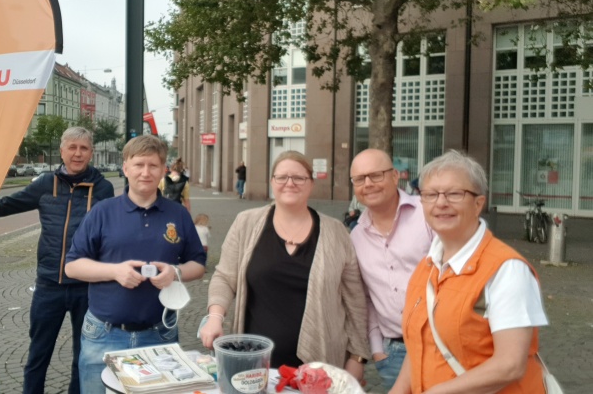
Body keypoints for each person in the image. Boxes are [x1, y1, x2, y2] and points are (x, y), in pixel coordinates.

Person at [200, 150, 370, 381]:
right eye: (282, 177)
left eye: (299, 178)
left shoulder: (336, 232)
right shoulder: (246, 223)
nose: (289, 183)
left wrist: (357, 358)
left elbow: (355, 301)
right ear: (272, 182)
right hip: (255, 365)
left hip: (320, 367)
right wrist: (215, 316)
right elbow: (224, 277)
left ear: (311, 184)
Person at [390, 150, 549, 393]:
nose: (441, 203)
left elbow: (510, 365)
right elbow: (419, 346)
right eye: (431, 194)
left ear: (478, 204)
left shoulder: (506, 269)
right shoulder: (427, 266)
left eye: (455, 194)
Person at [65, 134, 207, 392]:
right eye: (139, 164)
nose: (145, 172)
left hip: (159, 335)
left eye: (153, 166)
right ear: (125, 168)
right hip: (104, 336)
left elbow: (198, 264)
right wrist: (115, 272)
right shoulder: (102, 212)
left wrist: (175, 272)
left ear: (163, 170)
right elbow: (72, 266)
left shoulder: (178, 215)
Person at [0, 127, 114, 394]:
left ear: (91, 152)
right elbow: (3, 207)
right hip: (48, 286)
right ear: (62, 150)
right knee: (38, 354)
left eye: (83, 148)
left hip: (87, 287)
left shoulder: (103, 188)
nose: (78, 153)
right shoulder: (46, 183)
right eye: (72, 147)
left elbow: (112, 235)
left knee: (84, 355)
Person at [349, 149, 433, 390]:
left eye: (376, 175)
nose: (368, 184)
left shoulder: (427, 214)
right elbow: (367, 297)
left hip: (439, 346)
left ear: (395, 176)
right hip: (393, 354)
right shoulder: (356, 236)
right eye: (359, 179)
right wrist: (377, 350)